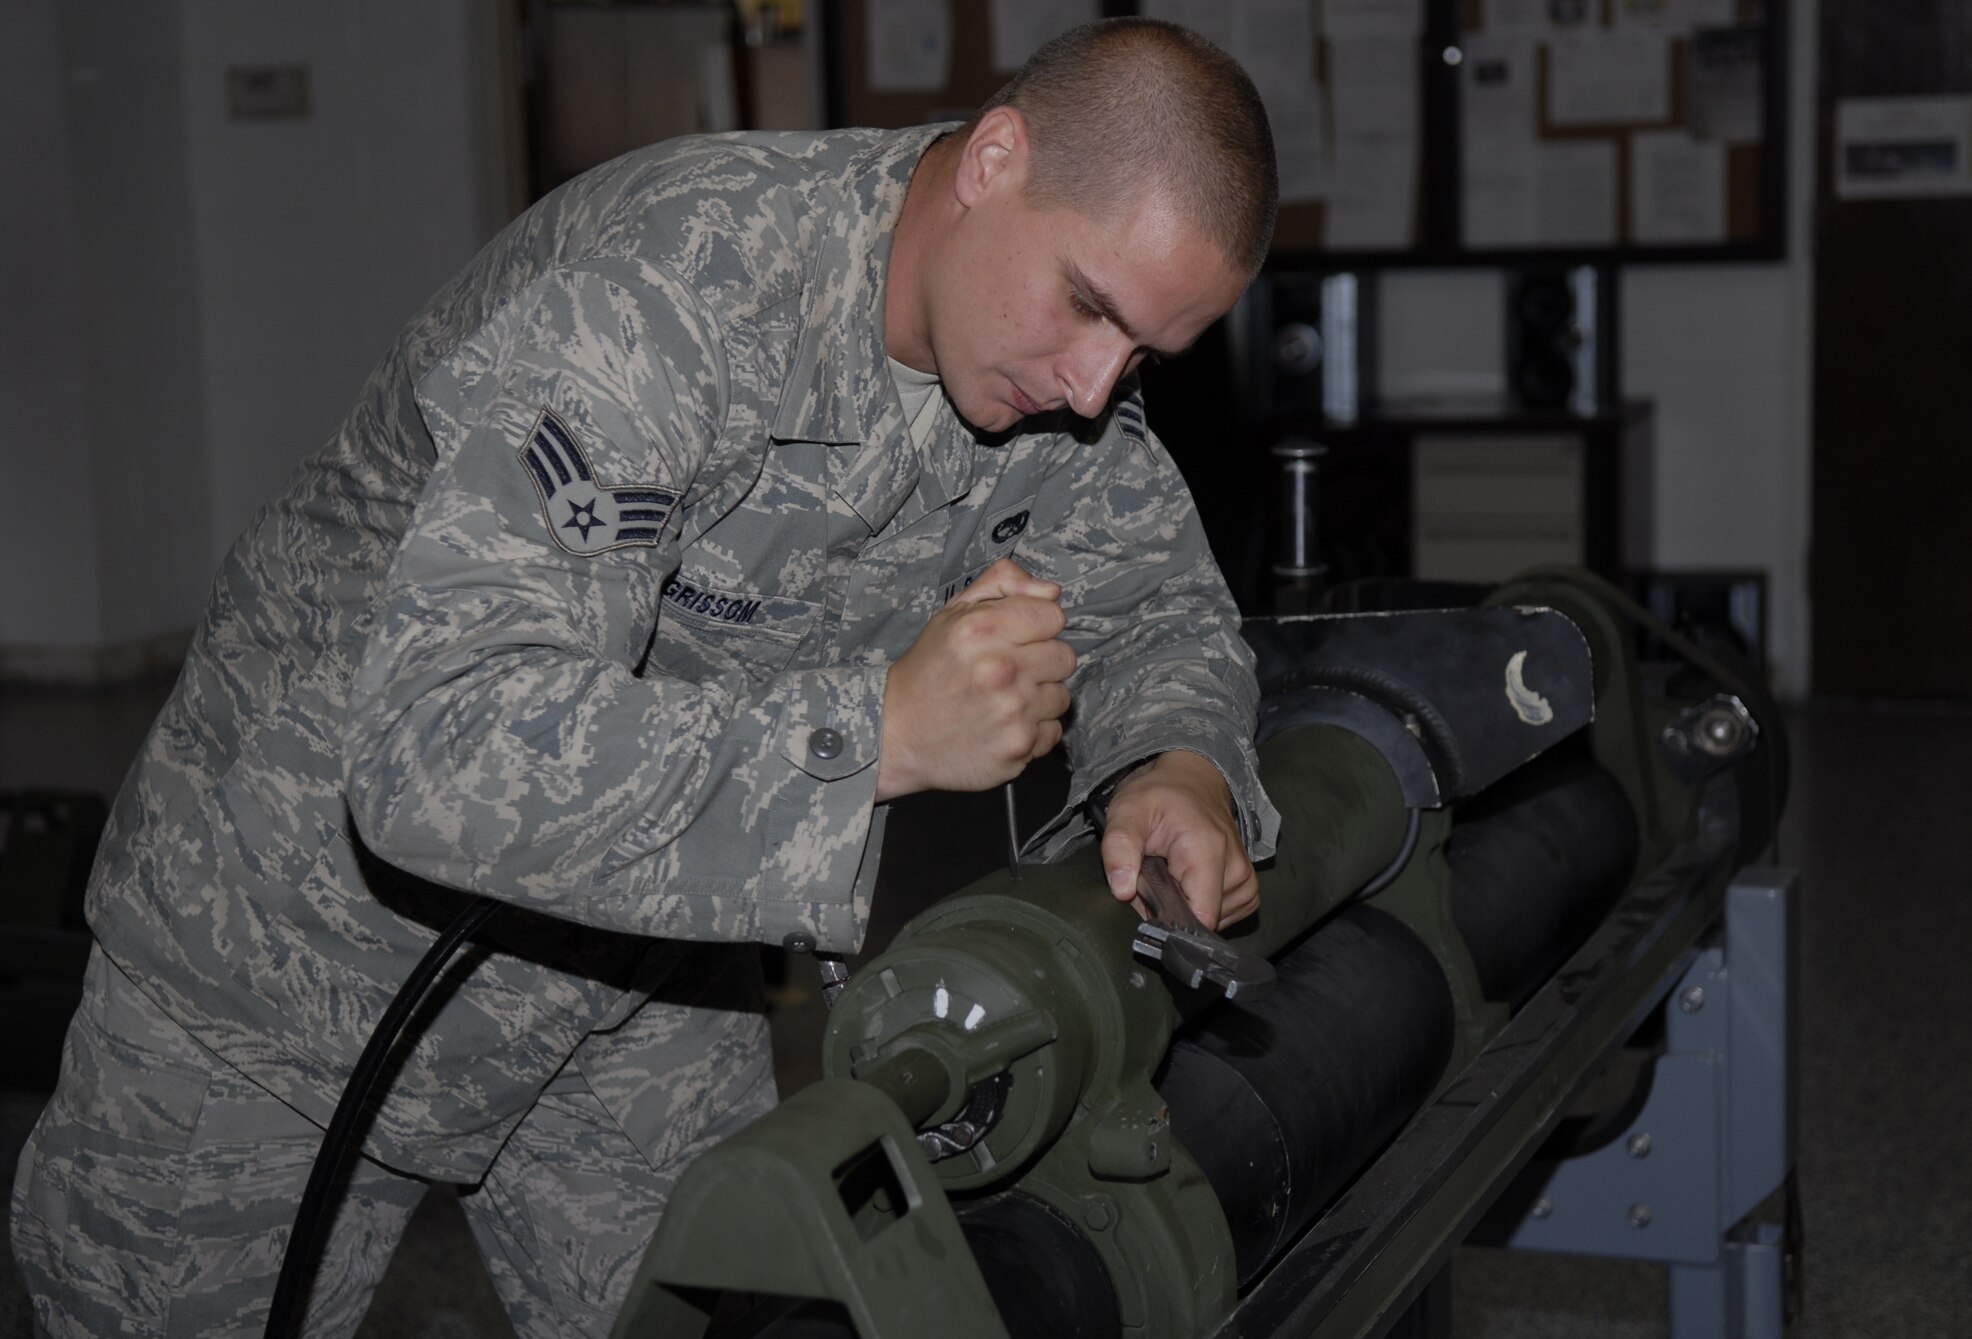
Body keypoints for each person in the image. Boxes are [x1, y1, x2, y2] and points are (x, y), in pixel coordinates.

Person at [11, 17, 1280, 1337]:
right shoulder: (676, 286)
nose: (1093, 389)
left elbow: (1161, 611)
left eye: (1141, 356)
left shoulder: (1040, 384)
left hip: (637, 973)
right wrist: (880, 733)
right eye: (1089, 305)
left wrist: (1173, 765)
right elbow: (436, 752)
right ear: (996, 157)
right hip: (282, 966)